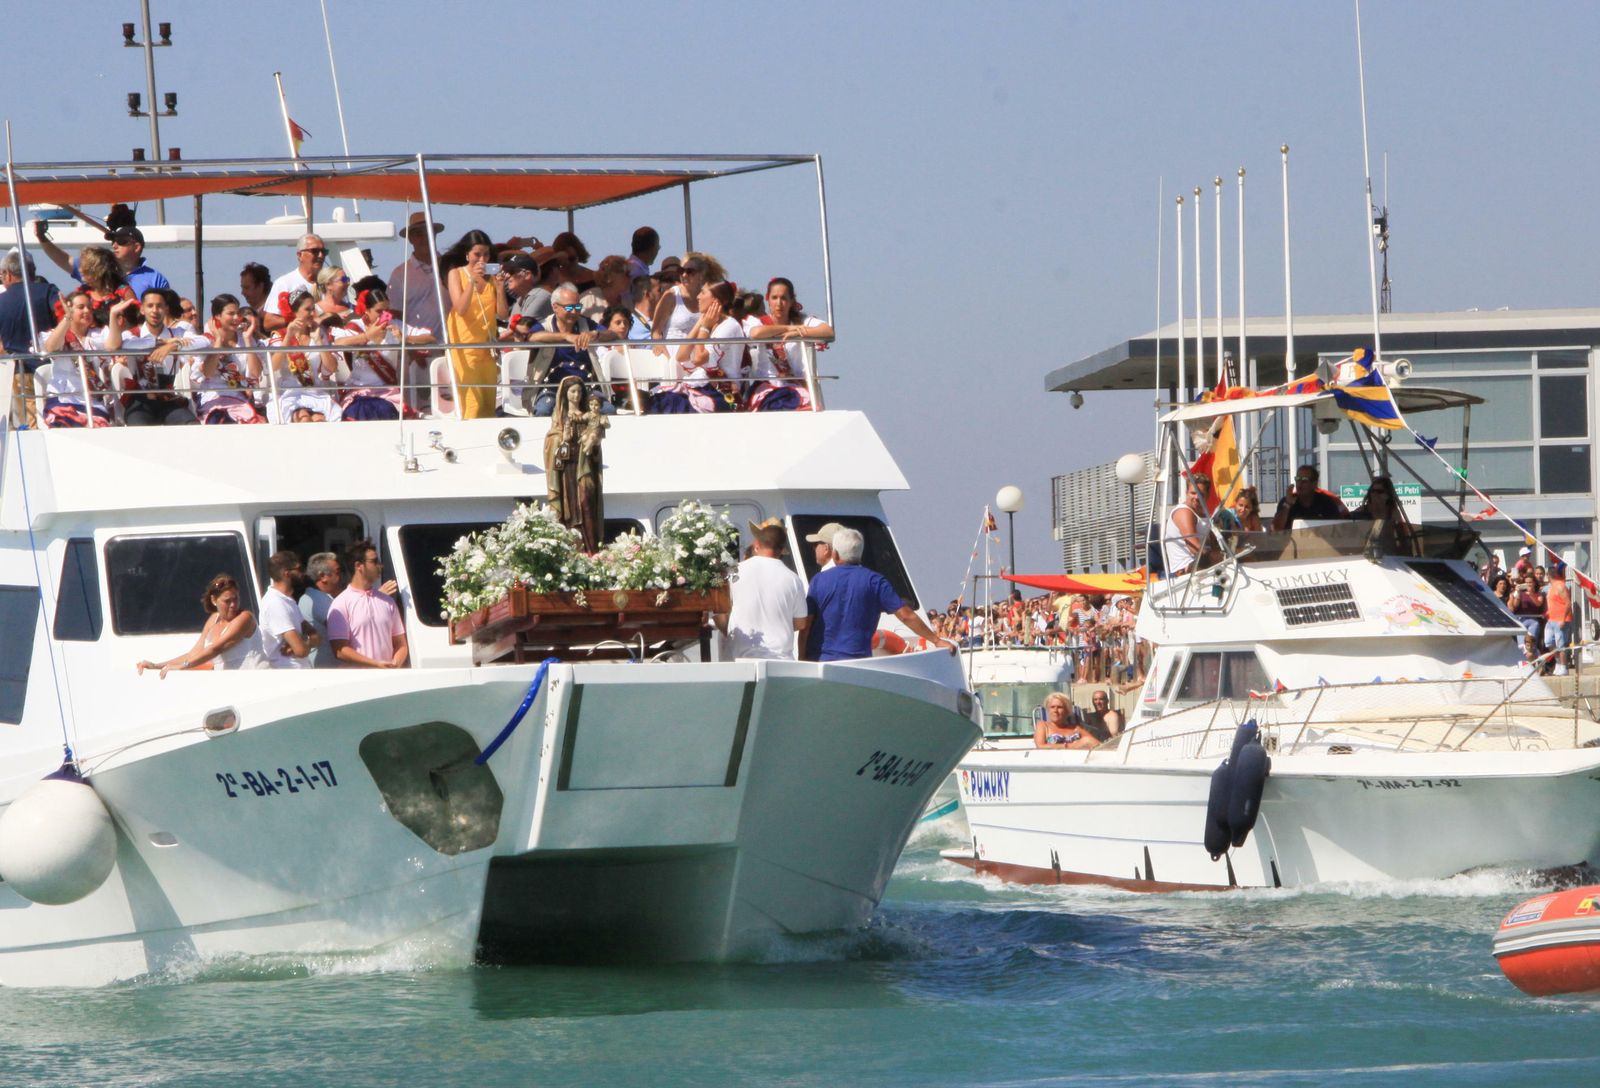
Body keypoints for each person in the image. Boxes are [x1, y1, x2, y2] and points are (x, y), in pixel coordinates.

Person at [804, 527, 955, 661]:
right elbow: (906, 615)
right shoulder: (874, 581)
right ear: (859, 555)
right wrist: (936, 640)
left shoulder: (818, 581)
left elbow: (807, 624)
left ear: (835, 554)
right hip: (858, 661)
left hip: (821, 659)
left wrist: (802, 659)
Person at [331, 288, 437, 420]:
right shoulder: (356, 327)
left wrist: (406, 338)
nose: (385, 315)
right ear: (367, 310)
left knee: (385, 410)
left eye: (387, 310)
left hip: (387, 391)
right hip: (359, 390)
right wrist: (366, 337)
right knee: (361, 411)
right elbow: (339, 343)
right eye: (379, 311)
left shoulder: (395, 325)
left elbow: (429, 338)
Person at [137, 573, 265, 676]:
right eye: (227, 601)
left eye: (235, 599)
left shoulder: (245, 618)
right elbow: (193, 654)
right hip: (228, 685)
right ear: (214, 600)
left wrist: (183, 666)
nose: (233, 605)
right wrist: (157, 666)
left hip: (254, 682)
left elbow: (216, 648)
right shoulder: (213, 619)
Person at [716, 521, 809, 659]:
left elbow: (719, 612)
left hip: (742, 658)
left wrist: (730, 632)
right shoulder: (793, 579)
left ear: (756, 544)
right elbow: (801, 623)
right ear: (782, 549)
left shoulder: (734, 573)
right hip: (780, 660)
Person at [115, 288, 206, 426]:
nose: (155, 310)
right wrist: (160, 342)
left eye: (159, 306)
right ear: (142, 309)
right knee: (139, 431)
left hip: (168, 398)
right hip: (140, 400)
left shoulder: (177, 332)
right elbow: (127, 344)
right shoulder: (132, 334)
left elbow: (205, 341)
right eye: (150, 306)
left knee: (191, 426)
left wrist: (173, 346)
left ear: (166, 309)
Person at [524, 284, 618, 416]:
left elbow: (613, 334)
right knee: (543, 411)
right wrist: (565, 336)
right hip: (551, 388)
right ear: (555, 307)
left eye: (577, 307)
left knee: (608, 411)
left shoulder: (586, 324)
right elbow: (531, 337)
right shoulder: (544, 325)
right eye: (569, 307)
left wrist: (595, 334)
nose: (574, 312)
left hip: (586, 388)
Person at [39, 290, 126, 427]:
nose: (87, 311)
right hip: (62, 399)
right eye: (81, 307)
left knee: (99, 428)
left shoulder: (97, 335)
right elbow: (51, 347)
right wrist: (67, 318)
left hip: (91, 401)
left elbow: (113, 345)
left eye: (90, 308)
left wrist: (113, 315)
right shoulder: (58, 334)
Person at [442, 229, 504, 419]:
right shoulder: (456, 273)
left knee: (487, 406)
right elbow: (460, 308)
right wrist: (472, 281)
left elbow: (502, 313)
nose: (482, 259)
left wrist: (500, 288)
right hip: (465, 349)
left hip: (487, 350)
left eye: (486, 254)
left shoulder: (492, 278)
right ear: (467, 254)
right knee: (472, 405)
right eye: (477, 254)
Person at [748, 277, 833, 411]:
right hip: (769, 388)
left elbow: (828, 331)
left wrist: (799, 333)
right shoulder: (758, 322)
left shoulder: (802, 321)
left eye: (784, 298)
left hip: (797, 386)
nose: (779, 303)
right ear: (768, 299)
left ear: (791, 301)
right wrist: (788, 329)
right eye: (774, 298)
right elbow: (755, 333)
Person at [36, 219, 169, 298]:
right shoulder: (98, 268)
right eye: (113, 241)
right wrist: (42, 238)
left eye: (121, 241)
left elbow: (166, 310)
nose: (115, 245)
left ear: (137, 247)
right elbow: (65, 260)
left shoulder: (156, 279)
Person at [328, 540, 408, 668]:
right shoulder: (340, 603)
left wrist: (395, 664)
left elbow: (401, 644)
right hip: (358, 682)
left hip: (387, 679)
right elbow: (340, 650)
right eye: (374, 561)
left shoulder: (387, 601)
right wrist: (375, 664)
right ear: (359, 566)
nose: (380, 566)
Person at [266, 289, 341, 422]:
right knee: (303, 418)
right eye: (307, 309)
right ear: (294, 312)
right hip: (289, 393)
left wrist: (318, 341)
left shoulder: (319, 333)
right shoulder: (280, 335)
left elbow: (332, 368)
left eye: (313, 309)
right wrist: (288, 337)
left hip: (315, 393)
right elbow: (273, 366)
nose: (313, 313)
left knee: (320, 419)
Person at [192, 293, 265, 424]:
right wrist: (218, 342)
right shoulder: (207, 341)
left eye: (238, 313)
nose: (236, 318)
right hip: (213, 398)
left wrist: (248, 340)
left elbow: (255, 374)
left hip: (240, 399)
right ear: (218, 316)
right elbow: (207, 372)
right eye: (231, 314)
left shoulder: (245, 339)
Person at [259, 551, 320, 669]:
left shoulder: (288, 601)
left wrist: (303, 642)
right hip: (287, 675)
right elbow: (301, 650)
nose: (303, 573)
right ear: (286, 573)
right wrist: (303, 644)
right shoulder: (275, 603)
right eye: (299, 569)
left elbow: (316, 637)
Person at [262, 234, 329, 332]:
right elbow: (268, 322)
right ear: (299, 255)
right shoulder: (284, 283)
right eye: (315, 251)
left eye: (324, 252)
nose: (321, 255)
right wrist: (302, 320)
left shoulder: (331, 283)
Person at [1162, 474, 1214, 576]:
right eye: (1193, 493)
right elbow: (1195, 548)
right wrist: (1219, 557)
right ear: (1186, 493)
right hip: (1185, 569)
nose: (1197, 497)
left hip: (1202, 564)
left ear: (1207, 496)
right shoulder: (1184, 512)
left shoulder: (1206, 515)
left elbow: (1214, 542)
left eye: (1201, 494)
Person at [299, 551, 343, 669]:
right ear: (323, 576)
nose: (341, 577)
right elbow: (342, 627)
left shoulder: (311, 596)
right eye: (337, 572)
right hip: (325, 669)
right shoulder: (318, 599)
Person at [1271, 464, 1347, 530]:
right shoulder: (1286, 502)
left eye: (1304, 480)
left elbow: (1338, 528)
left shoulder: (1326, 502)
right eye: (1297, 479)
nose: (1300, 484)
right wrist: (1287, 505)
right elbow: (1275, 529)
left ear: (1314, 483)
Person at [1545, 560, 1573, 675]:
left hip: (1561, 620)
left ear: (1549, 575)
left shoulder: (1561, 586)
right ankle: (1558, 663)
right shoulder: (1551, 587)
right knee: (1549, 642)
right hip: (1551, 619)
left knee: (1560, 644)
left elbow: (1568, 603)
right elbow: (1554, 603)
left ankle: (1564, 667)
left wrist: (1563, 618)